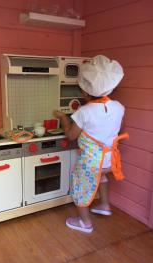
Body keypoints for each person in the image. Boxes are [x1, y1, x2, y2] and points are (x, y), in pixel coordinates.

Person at [54, 55, 129, 233]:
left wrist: (63, 118)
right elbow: (113, 128)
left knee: (80, 188)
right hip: (109, 161)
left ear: (85, 91)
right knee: (101, 177)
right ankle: (104, 205)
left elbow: (71, 136)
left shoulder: (84, 112)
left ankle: (84, 223)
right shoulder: (119, 107)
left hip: (91, 163)